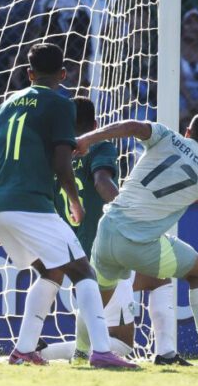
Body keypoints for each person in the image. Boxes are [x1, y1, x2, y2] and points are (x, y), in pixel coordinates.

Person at [0, 43, 138, 369]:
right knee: (84, 271)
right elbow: (63, 163)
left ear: (29, 73)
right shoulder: (61, 104)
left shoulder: (5, 106)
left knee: (51, 271)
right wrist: (75, 202)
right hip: (30, 204)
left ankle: (24, 350)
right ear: (63, 74)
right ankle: (101, 351)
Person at [74, 113, 198, 367]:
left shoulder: (166, 135)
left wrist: (88, 139)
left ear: (188, 132)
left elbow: (131, 125)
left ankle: (79, 353)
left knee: (97, 295)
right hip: (138, 243)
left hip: (108, 228)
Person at [38, 97, 187, 366]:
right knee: (121, 343)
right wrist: (126, 216)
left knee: (158, 276)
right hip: (107, 250)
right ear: (95, 125)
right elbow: (101, 181)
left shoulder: (56, 156)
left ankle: (166, 354)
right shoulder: (98, 146)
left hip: (75, 253)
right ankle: (42, 353)